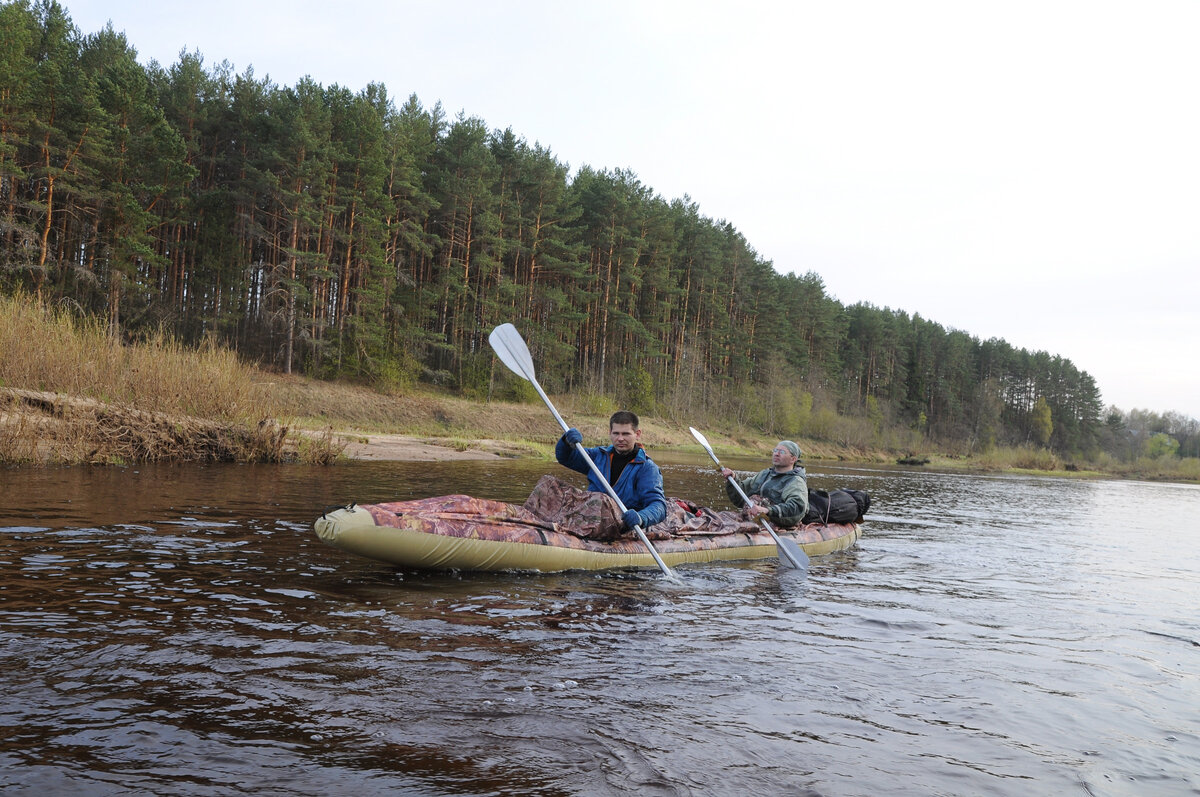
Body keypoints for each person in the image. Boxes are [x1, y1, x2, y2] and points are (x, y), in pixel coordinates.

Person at [556, 410, 667, 530]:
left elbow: (659, 505)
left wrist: (641, 517)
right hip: (589, 517)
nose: (620, 439)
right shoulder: (598, 456)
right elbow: (566, 458)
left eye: (626, 434)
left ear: (637, 434)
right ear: (610, 433)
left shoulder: (647, 468)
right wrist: (566, 443)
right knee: (549, 483)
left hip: (622, 524)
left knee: (603, 500)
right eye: (616, 433)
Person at [721, 440, 809, 527]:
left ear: (793, 459)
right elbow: (740, 498)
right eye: (775, 450)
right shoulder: (764, 474)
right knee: (719, 517)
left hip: (772, 522)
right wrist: (733, 480)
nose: (776, 454)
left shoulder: (796, 481)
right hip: (751, 518)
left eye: (782, 452)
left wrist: (767, 510)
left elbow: (797, 508)